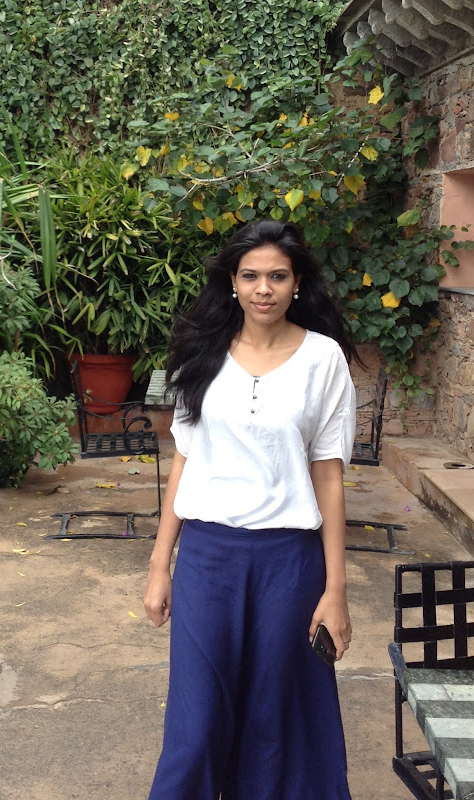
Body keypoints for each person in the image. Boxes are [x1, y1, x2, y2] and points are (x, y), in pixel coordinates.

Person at [143, 219, 357, 800]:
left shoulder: (324, 360)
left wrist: (336, 589)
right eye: (251, 276)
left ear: (297, 283)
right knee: (195, 724)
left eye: (278, 276)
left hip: (289, 563)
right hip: (207, 559)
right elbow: (185, 460)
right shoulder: (201, 353)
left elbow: (329, 476)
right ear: (233, 283)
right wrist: (161, 565)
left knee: (275, 720)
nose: (264, 288)